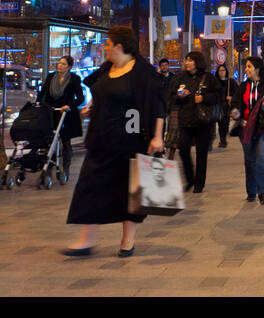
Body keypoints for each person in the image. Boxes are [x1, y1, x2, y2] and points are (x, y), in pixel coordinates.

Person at [63, 26, 166, 258]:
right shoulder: (107, 68)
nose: (104, 47)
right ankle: (85, 240)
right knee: (89, 187)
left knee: (130, 191)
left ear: (118, 46)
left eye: (107, 44)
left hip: (131, 139)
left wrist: (158, 136)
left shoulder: (143, 72)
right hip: (101, 138)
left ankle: (128, 239)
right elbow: (101, 92)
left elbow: (158, 106)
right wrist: (92, 107)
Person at [232, 56, 264, 204]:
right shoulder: (243, 86)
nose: (246, 69)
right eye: (246, 67)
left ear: (257, 69)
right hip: (246, 128)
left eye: (249, 66)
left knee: (261, 157)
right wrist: (234, 111)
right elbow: (235, 103)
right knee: (249, 160)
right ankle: (251, 191)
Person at [168, 50, 218, 193]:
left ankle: (199, 184)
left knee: (202, 153)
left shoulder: (208, 78)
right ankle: (190, 178)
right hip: (185, 120)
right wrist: (179, 96)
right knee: (183, 149)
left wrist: (204, 98)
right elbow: (170, 97)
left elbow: (217, 96)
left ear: (197, 62)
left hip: (203, 121)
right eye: (186, 60)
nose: (187, 63)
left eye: (190, 60)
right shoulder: (179, 78)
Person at [39, 55, 86, 171]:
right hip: (52, 113)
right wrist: (39, 104)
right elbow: (42, 94)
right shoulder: (50, 77)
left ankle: (66, 168)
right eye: (59, 63)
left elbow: (80, 98)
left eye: (64, 64)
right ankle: (49, 167)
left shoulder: (74, 79)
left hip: (66, 114)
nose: (60, 65)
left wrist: (69, 105)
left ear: (69, 67)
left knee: (66, 142)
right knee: (50, 142)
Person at [212, 61, 237, 148]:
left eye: (223, 70)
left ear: (226, 71)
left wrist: (231, 97)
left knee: (225, 124)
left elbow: (237, 93)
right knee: (219, 123)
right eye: (220, 70)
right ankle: (222, 140)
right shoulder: (215, 82)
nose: (222, 72)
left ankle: (223, 139)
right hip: (218, 106)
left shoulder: (231, 82)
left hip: (227, 106)